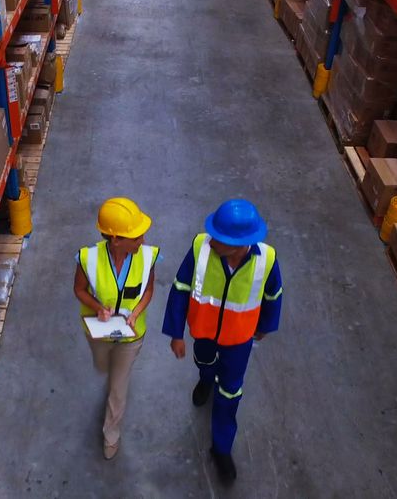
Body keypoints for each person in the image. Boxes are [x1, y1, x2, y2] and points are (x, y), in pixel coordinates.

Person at [162, 198, 283, 483]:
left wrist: (265, 326)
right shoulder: (200, 248)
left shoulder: (266, 259)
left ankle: (221, 449)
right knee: (203, 361)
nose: (212, 241)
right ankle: (205, 379)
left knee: (229, 393)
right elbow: (180, 288)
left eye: (220, 239)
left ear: (240, 244)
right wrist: (176, 333)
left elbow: (273, 295)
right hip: (203, 331)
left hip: (238, 340)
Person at [74, 197, 160, 459]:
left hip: (131, 336)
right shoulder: (88, 258)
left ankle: (111, 434)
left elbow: (148, 290)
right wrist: (98, 306)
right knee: (103, 367)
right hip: (98, 333)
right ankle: (109, 372)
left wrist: (135, 313)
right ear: (116, 240)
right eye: (135, 237)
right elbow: (78, 289)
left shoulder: (146, 257)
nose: (142, 241)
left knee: (117, 388)